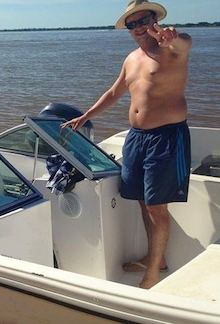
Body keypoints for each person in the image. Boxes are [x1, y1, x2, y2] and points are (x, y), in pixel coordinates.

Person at [62, 0, 192, 289]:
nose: (138, 28)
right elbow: (114, 92)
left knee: (157, 207)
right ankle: (155, 259)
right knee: (143, 201)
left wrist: (174, 36)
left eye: (143, 20)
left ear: (155, 19)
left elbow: (183, 42)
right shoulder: (132, 58)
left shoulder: (172, 49)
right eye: (132, 24)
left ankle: (152, 277)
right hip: (137, 138)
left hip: (166, 138)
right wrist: (85, 116)